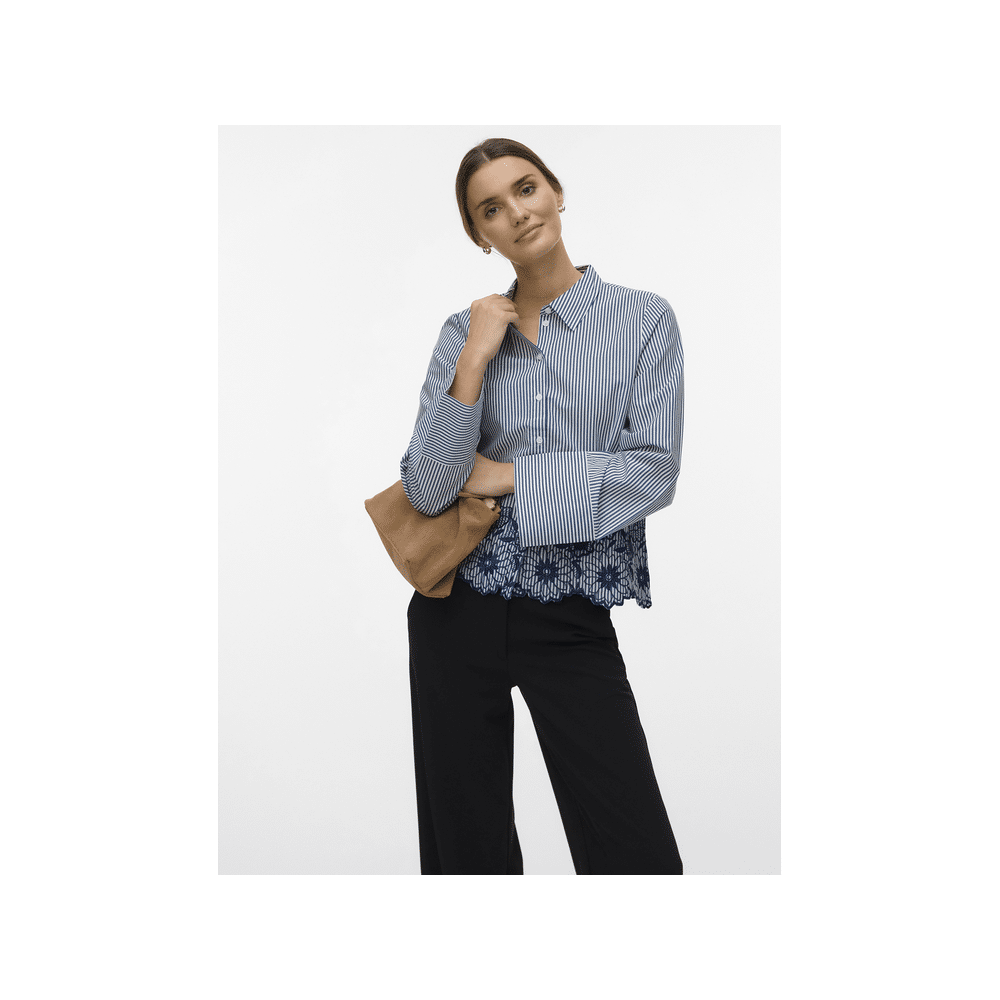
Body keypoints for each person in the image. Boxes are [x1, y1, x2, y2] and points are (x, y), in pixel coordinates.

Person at [400, 137, 685, 874]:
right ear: (480, 234)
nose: (517, 213)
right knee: (466, 855)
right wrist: (473, 360)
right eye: (491, 209)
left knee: (634, 853)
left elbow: (652, 473)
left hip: (570, 610)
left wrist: (507, 477)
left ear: (556, 191)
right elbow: (428, 487)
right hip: (455, 607)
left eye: (525, 189)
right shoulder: (463, 333)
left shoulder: (643, 321)